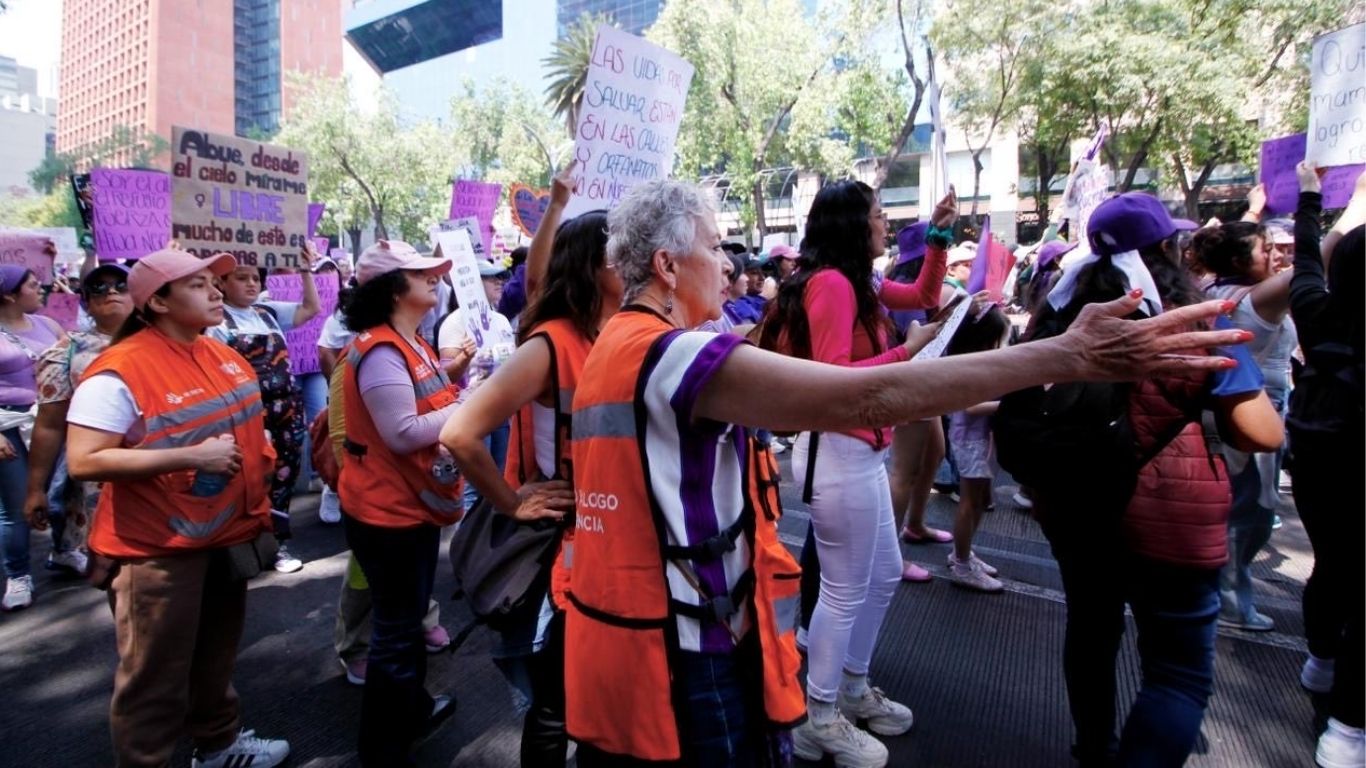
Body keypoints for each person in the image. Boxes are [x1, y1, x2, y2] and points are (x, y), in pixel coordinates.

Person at [563, 179, 1246, 768]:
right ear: (666, 265)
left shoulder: (616, 348)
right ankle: (828, 710)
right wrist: (1064, 356)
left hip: (648, 639)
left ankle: (840, 696)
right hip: (690, 649)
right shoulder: (674, 353)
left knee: (874, 575)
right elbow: (858, 397)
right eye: (714, 246)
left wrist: (942, 252)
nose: (727, 264)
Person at [1026, 192, 1281, 767]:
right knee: (1177, 676)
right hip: (1170, 517)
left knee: (1091, 634)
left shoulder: (1057, 314)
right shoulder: (1192, 323)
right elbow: (1260, 433)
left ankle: (1094, 747)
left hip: (1076, 508)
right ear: (1167, 248)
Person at [64, 248, 290, 768]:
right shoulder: (119, 369)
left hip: (226, 535)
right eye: (197, 284)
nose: (216, 290)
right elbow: (83, 460)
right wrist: (191, 456)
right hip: (157, 550)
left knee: (214, 658)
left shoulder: (222, 353)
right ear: (157, 302)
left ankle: (217, 745)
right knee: (153, 678)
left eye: (215, 281)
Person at [757, 180, 947, 764]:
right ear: (852, 226)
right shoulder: (834, 286)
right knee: (843, 592)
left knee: (883, 575)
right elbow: (835, 379)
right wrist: (908, 353)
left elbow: (919, 293)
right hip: (836, 450)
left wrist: (939, 236)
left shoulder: (851, 281)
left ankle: (852, 690)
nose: (884, 223)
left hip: (856, 450)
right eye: (876, 215)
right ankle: (818, 717)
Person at [441, 206, 620, 767]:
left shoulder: (614, 333)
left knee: (595, 692)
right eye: (624, 253)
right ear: (593, 267)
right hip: (564, 546)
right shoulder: (549, 343)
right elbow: (460, 433)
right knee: (556, 701)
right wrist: (511, 501)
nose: (639, 264)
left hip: (608, 538)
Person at [337, 240, 464, 767]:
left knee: (403, 619)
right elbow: (404, 431)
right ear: (392, 289)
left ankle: (410, 712)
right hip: (388, 513)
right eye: (421, 274)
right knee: (394, 627)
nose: (435, 279)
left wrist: (456, 388)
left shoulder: (409, 342)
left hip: (403, 506)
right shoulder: (384, 349)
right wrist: (472, 405)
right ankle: (384, 749)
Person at [1289, 163, 1365, 768]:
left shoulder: (1316, 310)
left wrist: (1311, 197)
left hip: (1317, 460)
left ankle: (1320, 658)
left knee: (1332, 566)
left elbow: (1307, 259)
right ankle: (1347, 726)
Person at [1191, 221, 1296, 632]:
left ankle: (1223, 589)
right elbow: (1315, 267)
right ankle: (1230, 597)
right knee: (1248, 511)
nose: (1277, 255)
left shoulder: (1211, 291)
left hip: (1221, 416)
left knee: (1236, 506)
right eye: (1267, 249)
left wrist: (1254, 210)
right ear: (1237, 261)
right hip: (1248, 420)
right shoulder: (1256, 301)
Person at [206, 245, 321, 573]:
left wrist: (305, 271)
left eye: (255, 278)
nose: (251, 284)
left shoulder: (268, 313)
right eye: (242, 278)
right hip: (247, 414)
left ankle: (275, 545)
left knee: (284, 474)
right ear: (222, 283)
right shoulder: (216, 323)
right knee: (251, 477)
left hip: (287, 410)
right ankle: (244, 542)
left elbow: (311, 308)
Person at [24, 264, 134, 577]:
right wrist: (35, 489)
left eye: (120, 285)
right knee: (117, 570)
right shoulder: (66, 352)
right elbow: (49, 425)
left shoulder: (170, 339)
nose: (110, 292)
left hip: (165, 467)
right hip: (99, 481)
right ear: (85, 302)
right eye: (99, 288)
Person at [0, 261, 66, 610]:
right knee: (15, 506)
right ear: (9, 294)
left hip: (51, 420)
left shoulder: (49, 324)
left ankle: (66, 550)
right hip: (7, 426)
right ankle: (18, 575)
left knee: (60, 494)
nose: (41, 288)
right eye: (32, 284)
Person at [943, 305, 1013, 592]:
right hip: (971, 440)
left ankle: (964, 552)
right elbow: (971, 407)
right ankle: (960, 563)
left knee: (980, 500)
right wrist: (1010, 404)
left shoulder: (978, 361)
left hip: (980, 438)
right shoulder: (969, 367)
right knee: (969, 502)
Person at [437, 260, 517, 511]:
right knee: (473, 486)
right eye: (491, 278)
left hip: (501, 411)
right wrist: (464, 358)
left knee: (501, 480)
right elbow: (446, 377)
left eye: (500, 277)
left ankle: (491, 544)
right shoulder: (454, 323)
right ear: (471, 283)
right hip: (469, 412)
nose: (499, 282)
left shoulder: (502, 320)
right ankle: (468, 546)